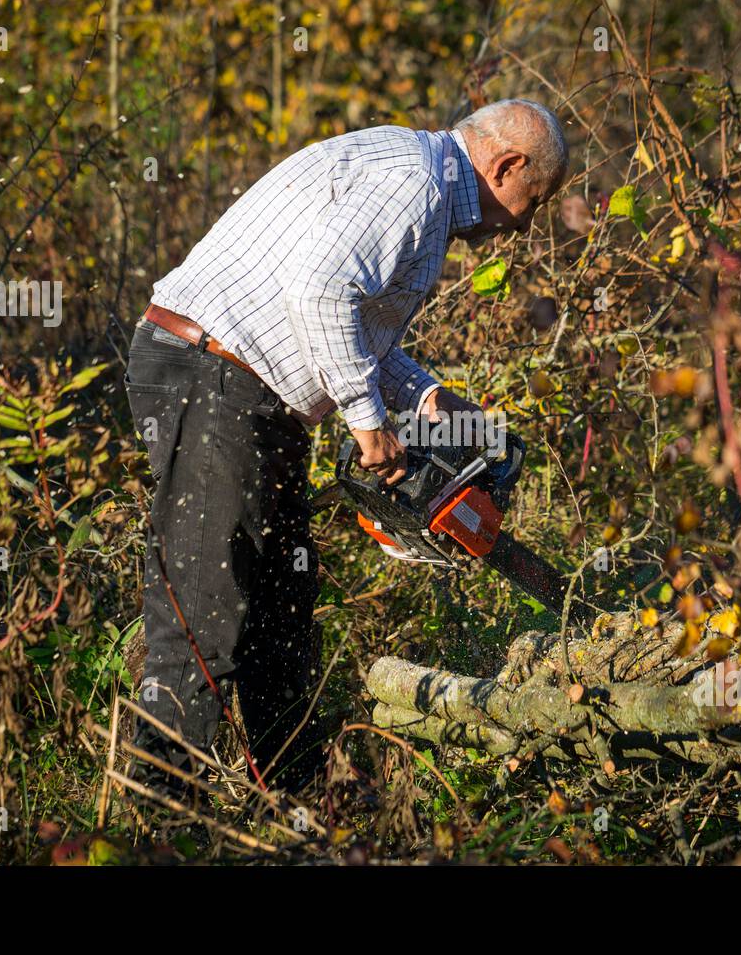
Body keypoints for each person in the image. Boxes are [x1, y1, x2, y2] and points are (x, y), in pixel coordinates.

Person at [124, 98, 570, 795]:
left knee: (281, 607)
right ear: (507, 166)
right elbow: (319, 294)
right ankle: (160, 815)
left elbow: (345, 321)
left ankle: (295, 800)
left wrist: (422, 396)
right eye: (532, 202)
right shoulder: (414, 185)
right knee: (206, 608)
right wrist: (369, 427)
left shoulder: (415, 179)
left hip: (243, 390)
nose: (522, 225)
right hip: (212, 376)